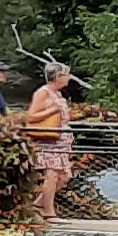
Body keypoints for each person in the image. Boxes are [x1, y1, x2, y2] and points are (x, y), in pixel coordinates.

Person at [24, 66, 79, 212]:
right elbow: (31, 116)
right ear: (57, 76)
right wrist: (53, 110)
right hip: (49, 141)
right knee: (52, 175)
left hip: (62, 142)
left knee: (64, 176)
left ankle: (38, 204)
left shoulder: (58, 93)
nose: (69, 77)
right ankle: (49, 212)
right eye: (66, 75)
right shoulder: (43, 92)